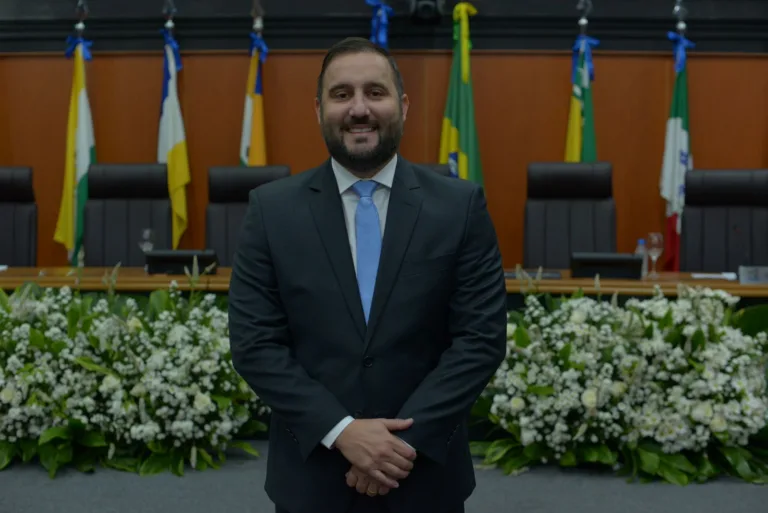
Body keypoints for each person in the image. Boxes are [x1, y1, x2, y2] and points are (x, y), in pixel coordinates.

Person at [228, 36, 507, 513]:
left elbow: (480, 339)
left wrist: (398, 447)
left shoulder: (459, 207)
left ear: (403, 105)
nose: (359, 108)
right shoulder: (271, 211)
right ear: (319, 109)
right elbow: (255, 344)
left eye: (375, 92)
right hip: (312, 477)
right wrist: (342, 432)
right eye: (342, 95)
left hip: (426, 479)